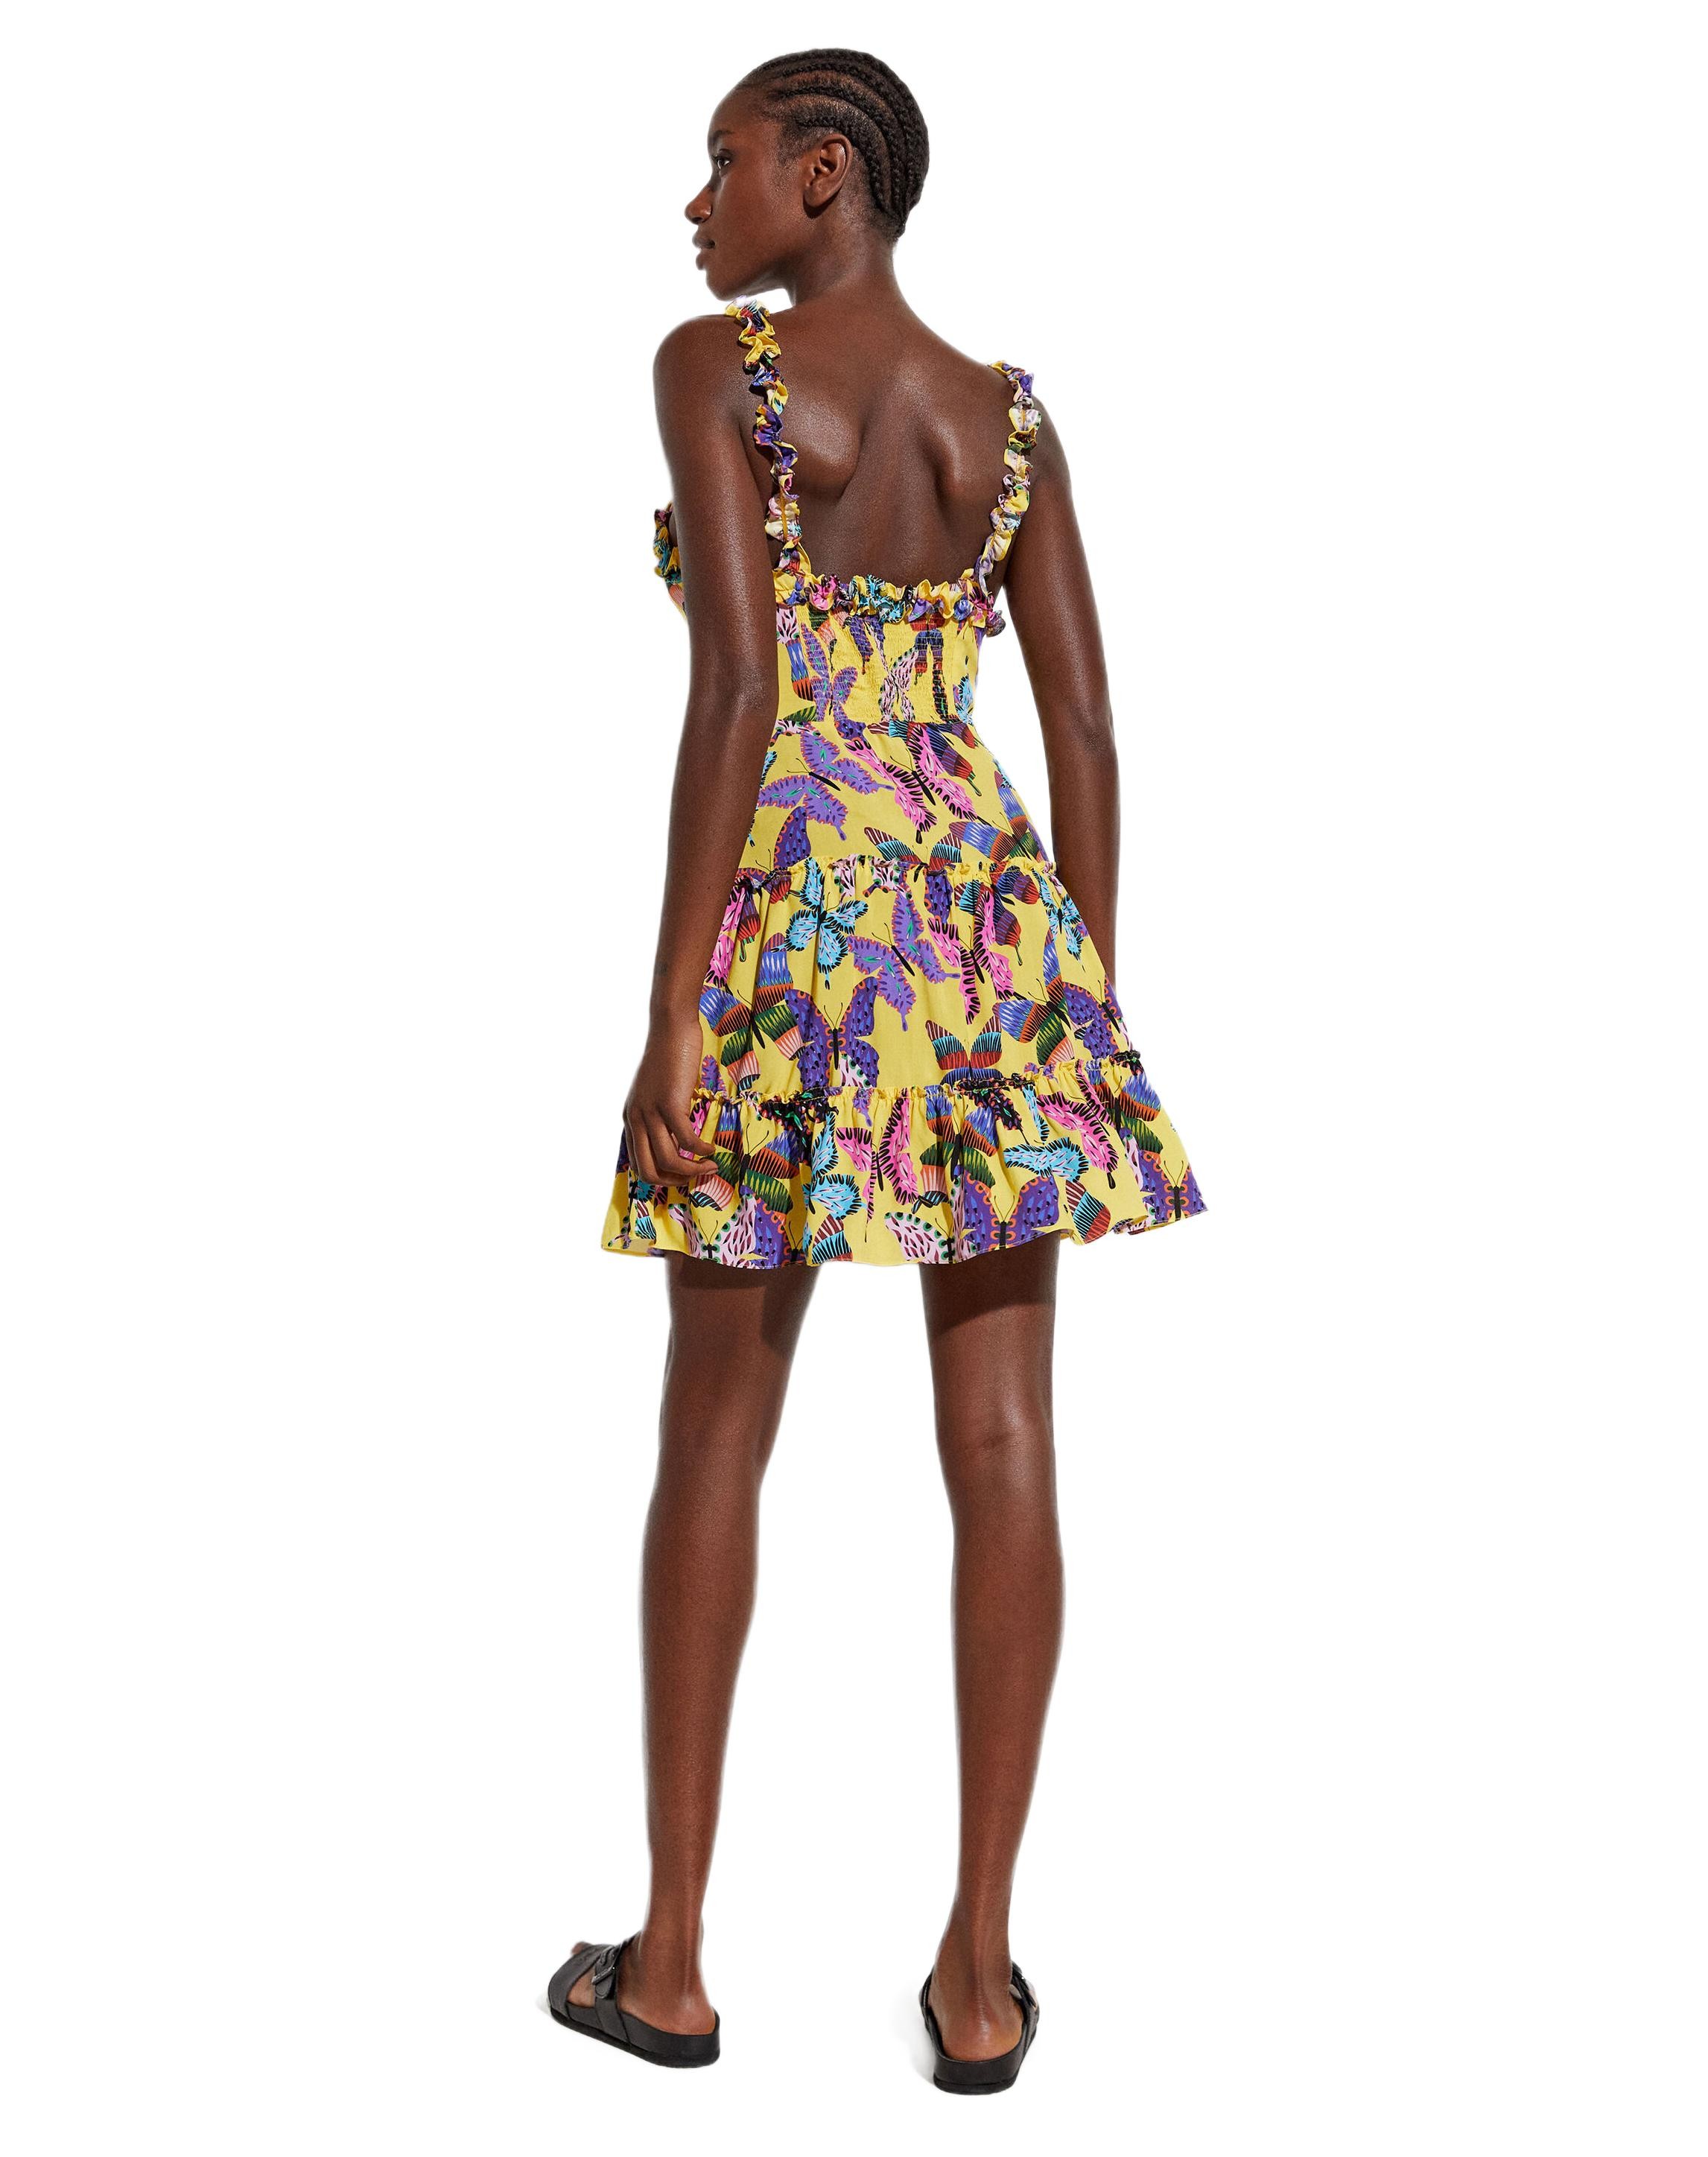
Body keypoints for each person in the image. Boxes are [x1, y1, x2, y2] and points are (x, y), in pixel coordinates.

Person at [550, 48, 1206, 2091]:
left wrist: (676, 1004)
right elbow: (1085, 733)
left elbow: (741, 687)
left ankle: (670, 1964)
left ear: (823, 174)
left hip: (793, 917)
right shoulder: (1007, 420)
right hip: (991, 923)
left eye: (726, 161)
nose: (698, 202)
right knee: (1003, 1440)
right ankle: (980, 1978)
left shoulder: (721, 372)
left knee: (715, 1434)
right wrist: (1076, 1002)